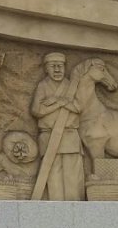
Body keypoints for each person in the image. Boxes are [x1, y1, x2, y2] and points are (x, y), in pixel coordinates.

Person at [31, 52, 86, 201]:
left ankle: (75, 207)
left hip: (69, 136)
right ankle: (55, 209)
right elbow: (37, 110)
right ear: (46, 69)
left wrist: (58, 101)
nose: (57, 69)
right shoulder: (43, 86)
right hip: (49, 136)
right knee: (53, 176)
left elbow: (79, 107)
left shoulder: (70, 86)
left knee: (72, 176)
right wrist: (59, 103)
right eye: (53, 66)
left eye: (60, 66)